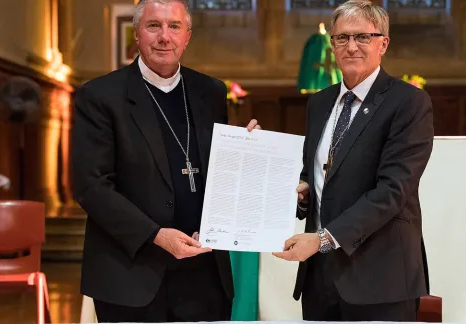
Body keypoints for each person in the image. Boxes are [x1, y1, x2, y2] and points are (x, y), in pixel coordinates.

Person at [70, 0, 260, 322]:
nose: (164, 37)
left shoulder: (210, 91)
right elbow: (91, 186)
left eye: (174, 27)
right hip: (131, 273)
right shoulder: (100, 96)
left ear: (187, 36)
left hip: (203, 273)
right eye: (153, 26)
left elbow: (215, 171)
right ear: (137, 34)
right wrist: (156, 235)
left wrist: (245, 151)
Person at [273, 0, 434, 321]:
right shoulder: (319, 103)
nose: (351, 46)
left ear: (383, 43)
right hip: (320, 277)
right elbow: (316, 174)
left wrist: (322, 240)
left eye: (362, 37)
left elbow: (392, 191)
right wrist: (301, 189)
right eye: (342, 38)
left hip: (380, 276)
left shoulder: (408, 102)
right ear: (332, 44)